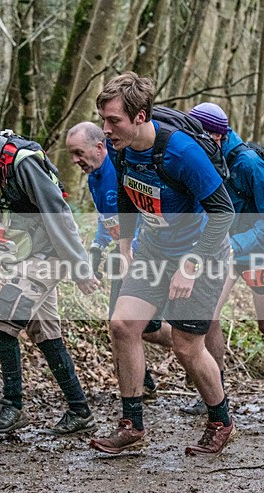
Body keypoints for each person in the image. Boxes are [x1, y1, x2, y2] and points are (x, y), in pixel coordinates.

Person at [89, 73, 237, 456]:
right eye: (103, 120)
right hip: (154, 250)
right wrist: (124, 243)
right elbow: (124, 192)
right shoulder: (121, 149)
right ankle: (132, 425)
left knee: (187, 347)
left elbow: (223, 212)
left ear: (140, 116)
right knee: (123, 325)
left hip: (202, 253)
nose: (106, 130)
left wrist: (190, 266)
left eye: (114, 121)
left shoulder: (181, 152)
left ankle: (221, 420)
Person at [0, 90, 99, 435]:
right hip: (23, 256)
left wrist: (79, 265)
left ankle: (12, 407)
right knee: (43, 329)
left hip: (52, 253)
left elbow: (58, 213)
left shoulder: (21, 161)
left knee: (1, 321)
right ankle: (80, 411)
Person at [175, 102, 264, 420]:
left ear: (216, 136)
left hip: (262, 250)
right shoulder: (209, 160)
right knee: (207, 316)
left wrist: (234, 244)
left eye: (196, 137)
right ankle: (215, 388)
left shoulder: (249, 164)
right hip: (228, 252)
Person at [65, 122, 173, 400]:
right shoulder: (94, 177)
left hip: (142, 252)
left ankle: (189, 345)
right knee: (132, 326)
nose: (75, 160)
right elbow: (107, 218)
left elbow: (141, 213)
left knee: (127, 325)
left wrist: (134, 254)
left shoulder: (121, 168)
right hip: (121, 254)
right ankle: (145, 381)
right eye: (72, 155)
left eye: (79, 153)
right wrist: (97, 249)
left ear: (99, 147)